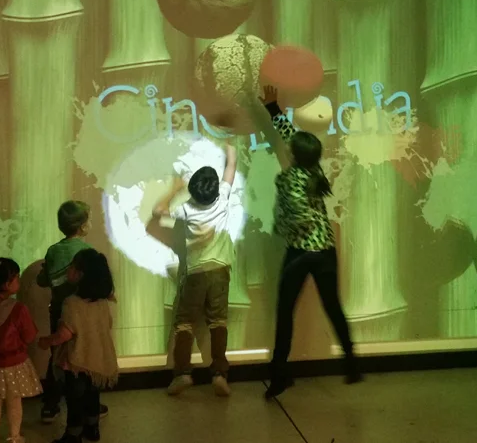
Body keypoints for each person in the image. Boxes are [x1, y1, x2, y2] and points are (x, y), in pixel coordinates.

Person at [251, 86, 361, 399]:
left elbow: (298, 216)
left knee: (285, 312)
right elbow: (291, 136)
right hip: (325, 250)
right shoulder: (314, 168)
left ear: (294, 155)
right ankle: (352, 362)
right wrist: (273, 108)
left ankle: (279, 375)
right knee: (332, 305)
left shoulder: (290, 178)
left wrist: (280, 227)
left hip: (301, 253)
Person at [152, 140, 237, 397]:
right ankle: (219, 374)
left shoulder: (186, 209)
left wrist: (174, 188)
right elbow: (231, 166)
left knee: (184, 323)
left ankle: (182, 373)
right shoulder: (222, 199)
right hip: (220, 271)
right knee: (218, 321)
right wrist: (230, 145)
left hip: (195, 273)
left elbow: (157, 212)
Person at [36, 201, 107, 424]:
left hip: (58, 311)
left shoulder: (53, 251)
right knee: (84, 354)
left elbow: (43, 280)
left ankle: (50, 405)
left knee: (57, 357)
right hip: (84, 313)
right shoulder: (87, 253)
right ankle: (90, 405)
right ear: (83, 225)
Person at [39, 249, 118, 443]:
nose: (68, 270)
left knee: (75, 401)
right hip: (96, 361)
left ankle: (73, 436)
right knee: (93, 397)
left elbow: (65, 334)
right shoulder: (102, 303)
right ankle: (92, 428)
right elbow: (107, 325)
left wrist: (47, 341)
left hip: (76, 363)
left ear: (81, 275)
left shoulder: (71, 303)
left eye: (72, 267)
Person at [0, 258, 43, 443]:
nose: (19, 281)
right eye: (16, 278)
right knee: (14, 401)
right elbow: (29, 335)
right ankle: (14, 436)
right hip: (14, 363)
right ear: (6, 284)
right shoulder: (18, 309)